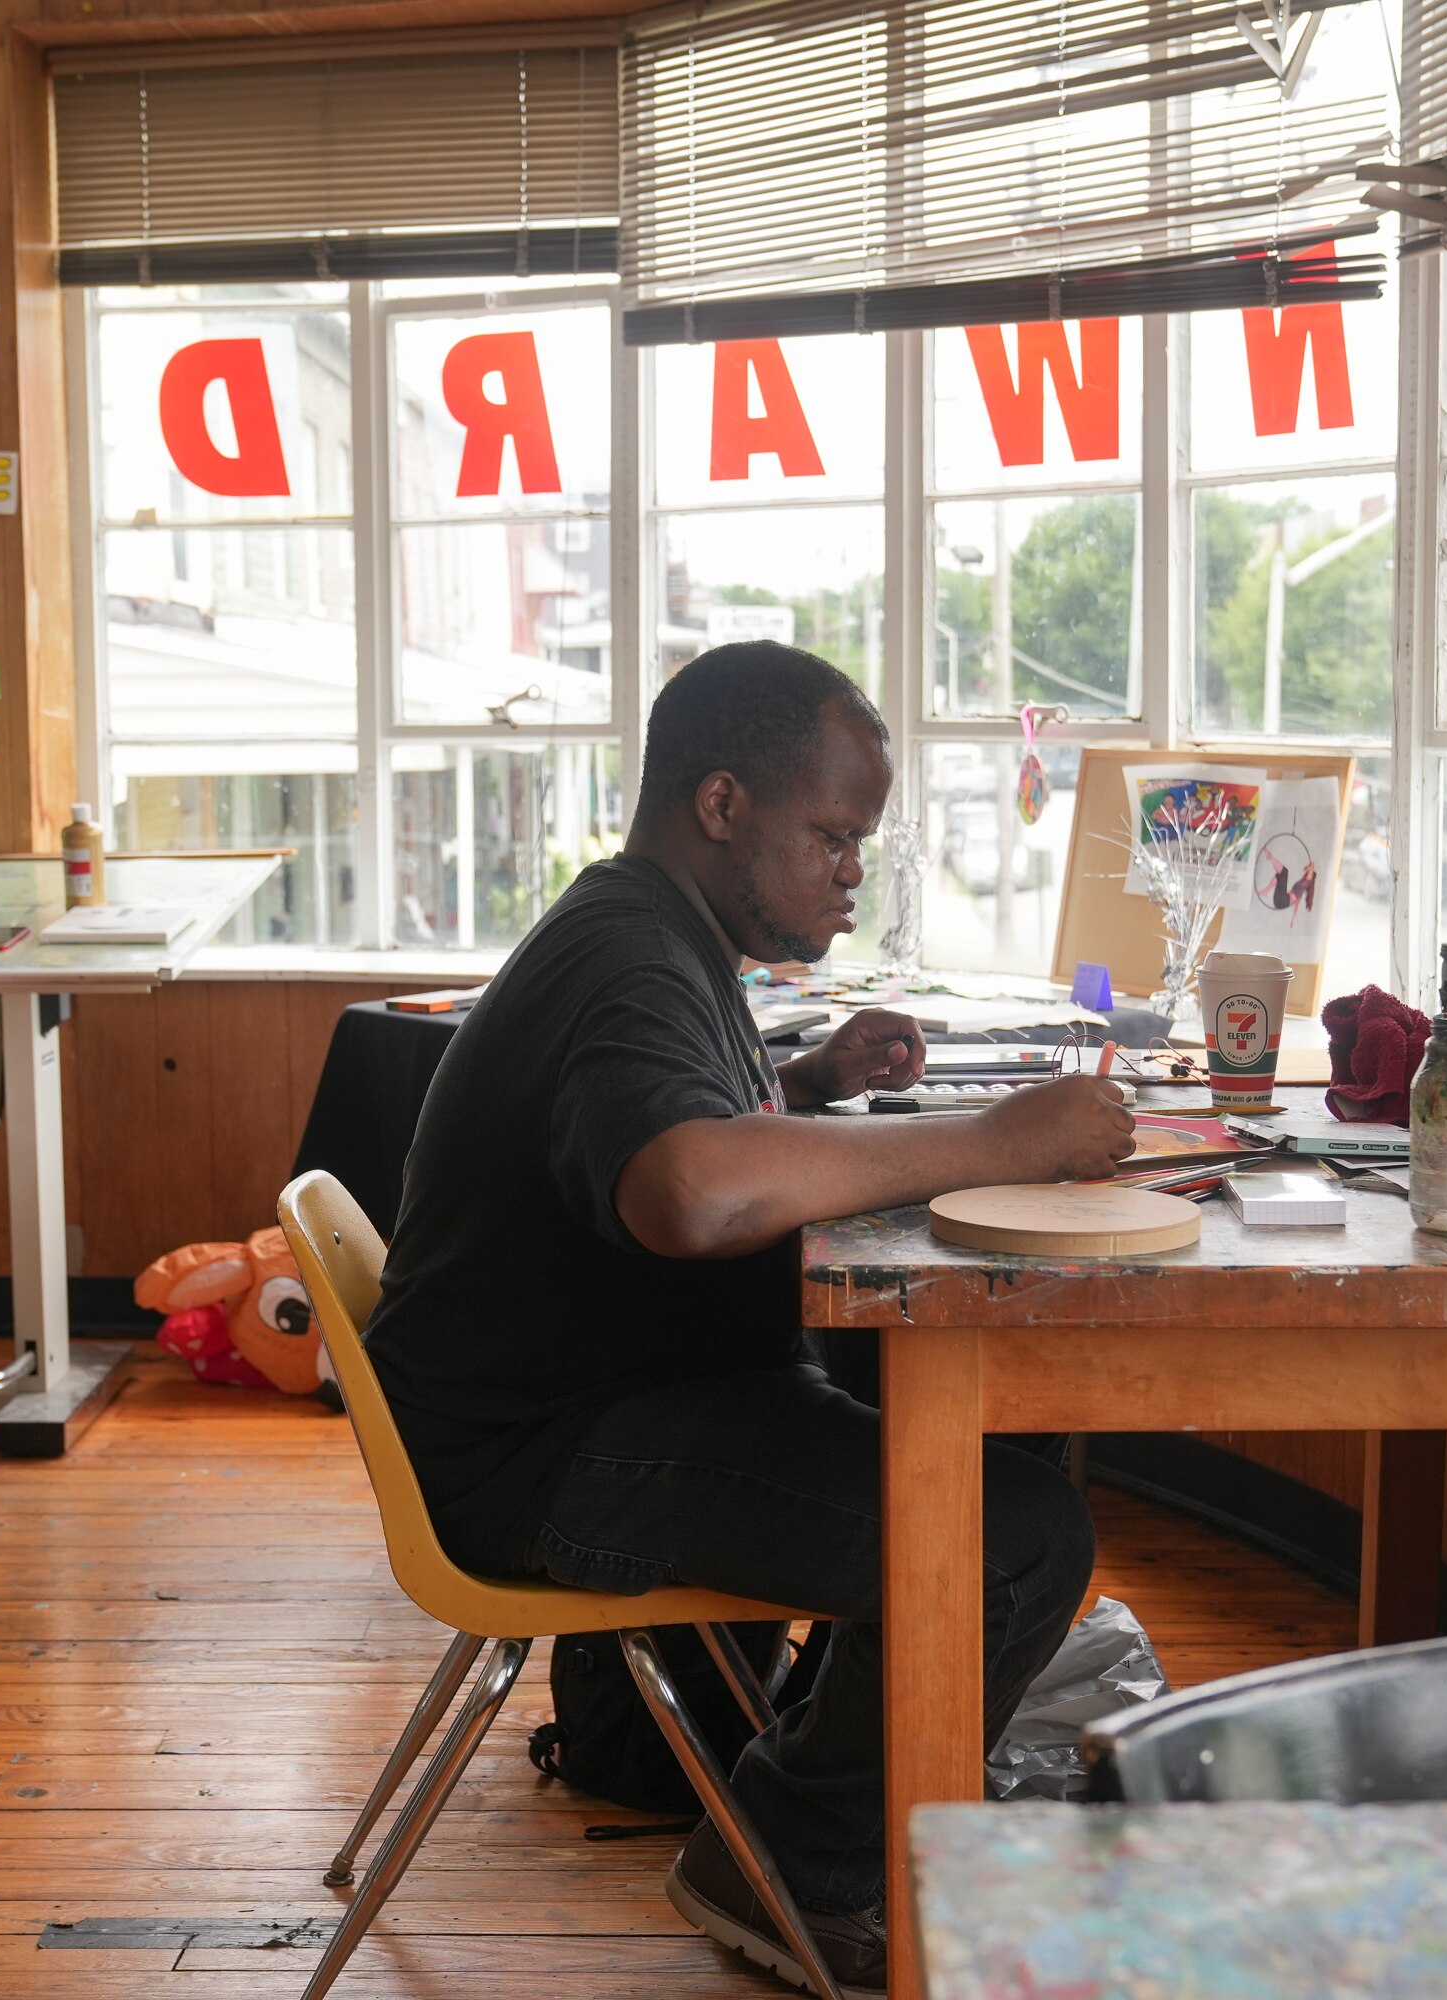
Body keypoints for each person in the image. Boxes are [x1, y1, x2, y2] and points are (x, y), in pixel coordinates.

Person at [364, 641, 1133, 1996]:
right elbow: (689, 1189)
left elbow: (677, 1130)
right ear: (722, 807)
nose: (852, 869)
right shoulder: (630, 959)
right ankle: (789, 1859)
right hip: (544, 1460)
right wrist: (996, 1136)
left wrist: (805, 1079)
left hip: (569, 1405)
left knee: (950, 1452)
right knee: (1016, 1535)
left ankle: (798, 1797)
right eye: (834, 835)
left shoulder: (649, 928)